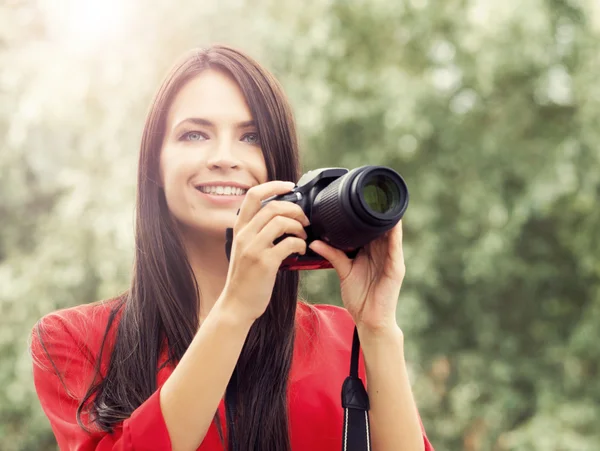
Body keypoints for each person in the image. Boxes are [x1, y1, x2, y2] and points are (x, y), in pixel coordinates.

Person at [30, 45, 434, 451]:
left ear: (279, 164)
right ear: (156, 164)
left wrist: (379, 329)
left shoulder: (344, 338)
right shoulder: (74, 339)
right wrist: (236, 307)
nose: (224, 158)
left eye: (251, 136)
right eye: (194, 134)